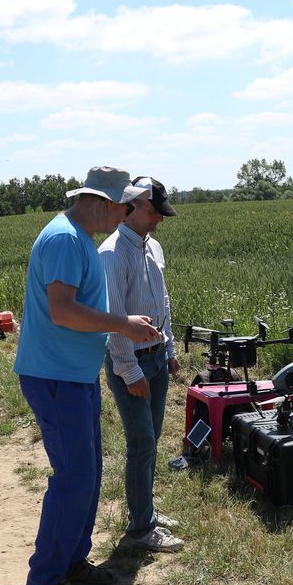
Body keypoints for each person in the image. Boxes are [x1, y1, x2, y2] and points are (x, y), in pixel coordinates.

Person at [14, 166, 163, 585]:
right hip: (55, 376)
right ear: (101, 201)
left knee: (89, 472)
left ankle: (72, 559)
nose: (126, 215)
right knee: (74, 477)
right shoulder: (64, 239)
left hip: (74, 376)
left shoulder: (78, 238)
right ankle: (46, 574)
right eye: (124, 207)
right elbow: (62, 311)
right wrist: (124, 325)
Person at [99, 176, 185, 553]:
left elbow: (161, 300)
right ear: (130, 206)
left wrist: (169, 350)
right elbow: (113, 318)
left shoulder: (153, 247)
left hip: (155, 356)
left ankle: (145, 509)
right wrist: (129, 370)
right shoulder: (112, 253)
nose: (159, 220)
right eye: (154, 211)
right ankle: (140, 529)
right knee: (141, 442)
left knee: (152, 438)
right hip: (129, 361)